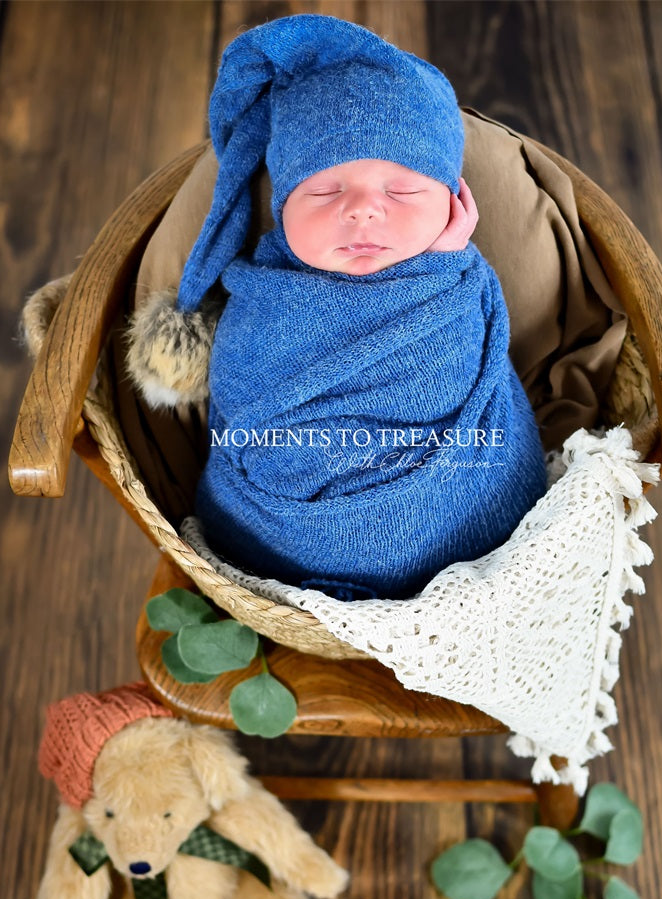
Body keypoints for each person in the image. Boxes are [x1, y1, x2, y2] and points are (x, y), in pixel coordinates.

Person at [134, 14, 547, 601]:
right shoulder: (264, 297)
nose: (363, 211)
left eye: (402, 191)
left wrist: (443, 261)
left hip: (465, 513)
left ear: (455, 201)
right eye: (325, 191)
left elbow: (461, 369)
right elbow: (248, 395)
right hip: (281, 539)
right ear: (281, 208)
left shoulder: (455, 282)